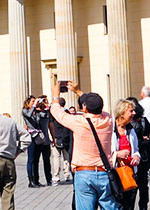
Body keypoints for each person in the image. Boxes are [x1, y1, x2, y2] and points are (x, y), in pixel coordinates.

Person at [49, 82, 120, 210]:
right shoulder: (108, 120)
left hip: (84, 173)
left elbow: (57, 113)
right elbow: (98, 108)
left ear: (85, 108)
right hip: (104, 172)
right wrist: (79, 92)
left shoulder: (79, 122)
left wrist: (55, 96)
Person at [111, 99, 142, 210]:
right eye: (131, 111)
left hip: (130, 174)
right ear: (122, 113)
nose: (134, 113)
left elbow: (136, 149)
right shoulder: (110, 129)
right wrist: (117, 154)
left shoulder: (130, 130)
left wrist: (137, 156)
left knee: (129, 206)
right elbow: (103, 152)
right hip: (116, 175)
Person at [23, 96, 52, 187]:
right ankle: (31, 180)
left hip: (38, 137)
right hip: (31, 136)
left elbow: (45, 116)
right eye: (32, 101)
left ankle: (36, 180)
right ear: (28, 102)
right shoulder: (25, 110)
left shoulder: (36, 112)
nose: (33, 103)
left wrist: (45, 106)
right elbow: (28, 115)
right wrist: (34, 106)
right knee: (31, 160)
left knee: (36, 160)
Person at [50, 99, 73, 185]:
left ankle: (56, 177)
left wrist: (52, 138)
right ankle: (67, 175)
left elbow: (50, 125)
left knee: (56, 158)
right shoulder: (67, 113)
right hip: (66, 138)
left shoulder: (54, 114)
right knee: (66, 158)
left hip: (56, 137)